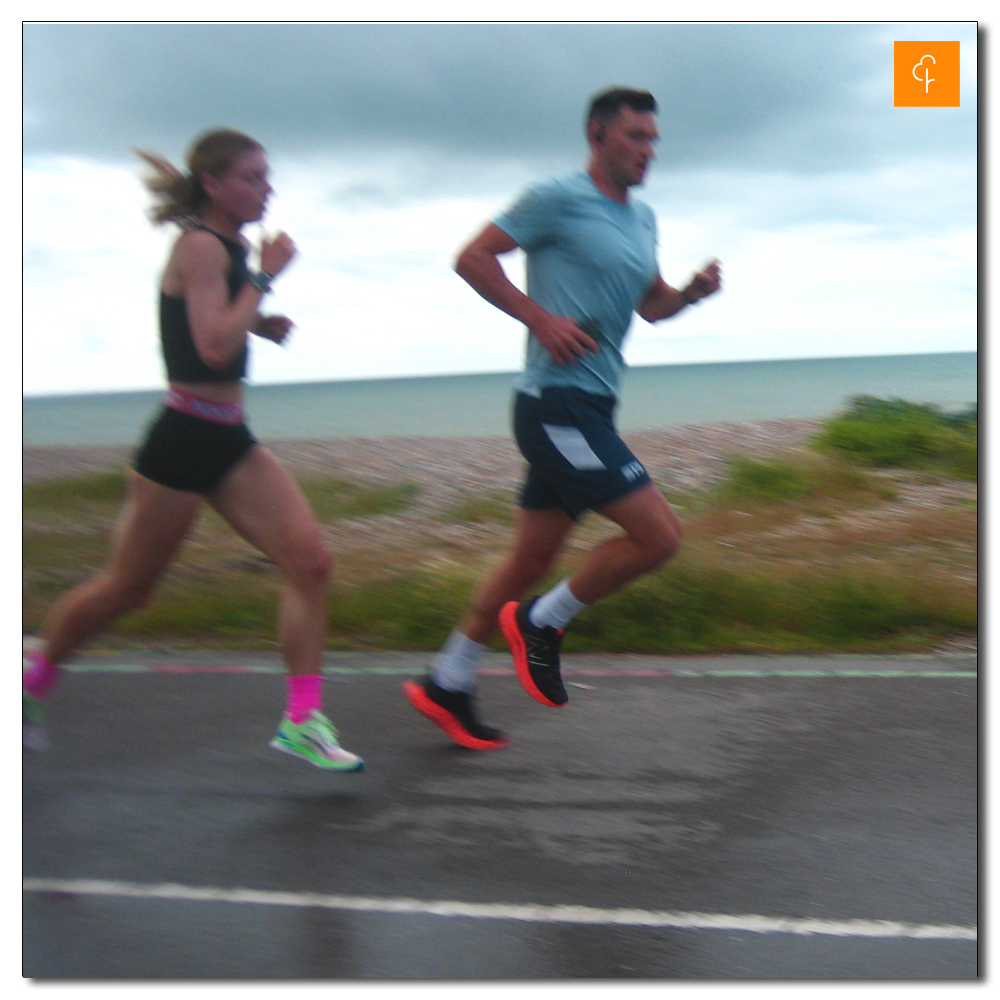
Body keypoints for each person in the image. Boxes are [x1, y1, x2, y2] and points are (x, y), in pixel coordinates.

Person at [22, 128, 362, 772]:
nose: (268, 189)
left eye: (268, 177)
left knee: (311, 562)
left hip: (228, 438)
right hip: (182, 440)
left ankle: (302, 721)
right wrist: (266, 278)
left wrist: (260, 321)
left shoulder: (226, 247)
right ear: (213, 185)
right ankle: (29, 683)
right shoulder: (203, 245)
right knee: (128, 589)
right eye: (253, 178)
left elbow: (208, 326)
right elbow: (209, 347)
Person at [403, 87, 722, 750]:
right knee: (659, 537)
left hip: (592, 405)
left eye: (653, 139)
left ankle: (448, 680)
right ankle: (545, 623)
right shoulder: (555, 197)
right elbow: (472, 257)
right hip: (556, 406)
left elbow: (651, 306)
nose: (648, 150)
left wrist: (690, 293)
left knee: (528, 558)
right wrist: (539, 319)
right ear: (598, 135)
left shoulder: (643, 219)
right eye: (635, 137)